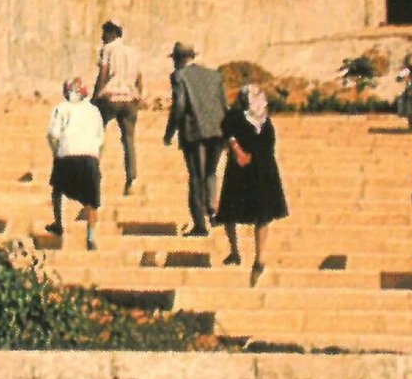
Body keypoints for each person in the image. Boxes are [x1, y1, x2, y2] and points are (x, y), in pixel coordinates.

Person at [216, 82, 289, 284]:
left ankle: (247, 255)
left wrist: (239, 151)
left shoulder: (251, 119)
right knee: (246, 213)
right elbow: (231, 134)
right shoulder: (255, 120)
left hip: (250, 170)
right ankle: (247, 254)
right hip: (255, 170)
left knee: (248, 213)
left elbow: (229, 134)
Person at [162, 41, 228, 238]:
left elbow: (180, 105)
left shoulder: (179, 75)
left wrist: (169, 132)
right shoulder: (214, 75)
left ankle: (200, 224)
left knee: (196, 178)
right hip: (217, 130)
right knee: (210, 173)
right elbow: (223, 104)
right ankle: (213, 209)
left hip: (194, 131)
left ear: (177, 59)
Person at [45, 77, 105, 250]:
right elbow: (100, 139)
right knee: (92, 200)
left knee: (57, 189)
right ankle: (91, 236)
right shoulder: (94, 111)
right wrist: (97, 159)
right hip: (89, 156)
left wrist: (55, 153)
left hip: (66, 153)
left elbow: (53, 134)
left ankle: (58, 224)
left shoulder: (61, 108)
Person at [92, 20, 146, 193]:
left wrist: (95, 97)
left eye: (104, 33)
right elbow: (139, 77)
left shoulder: (108, 50)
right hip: (130, 98)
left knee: (96, 134)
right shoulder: (133, 52)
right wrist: (138, 96)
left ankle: (93, 176)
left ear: (112, 33)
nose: (102, 37)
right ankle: (131, 180)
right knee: (129, 139)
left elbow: (103, 74)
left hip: (111, 96)